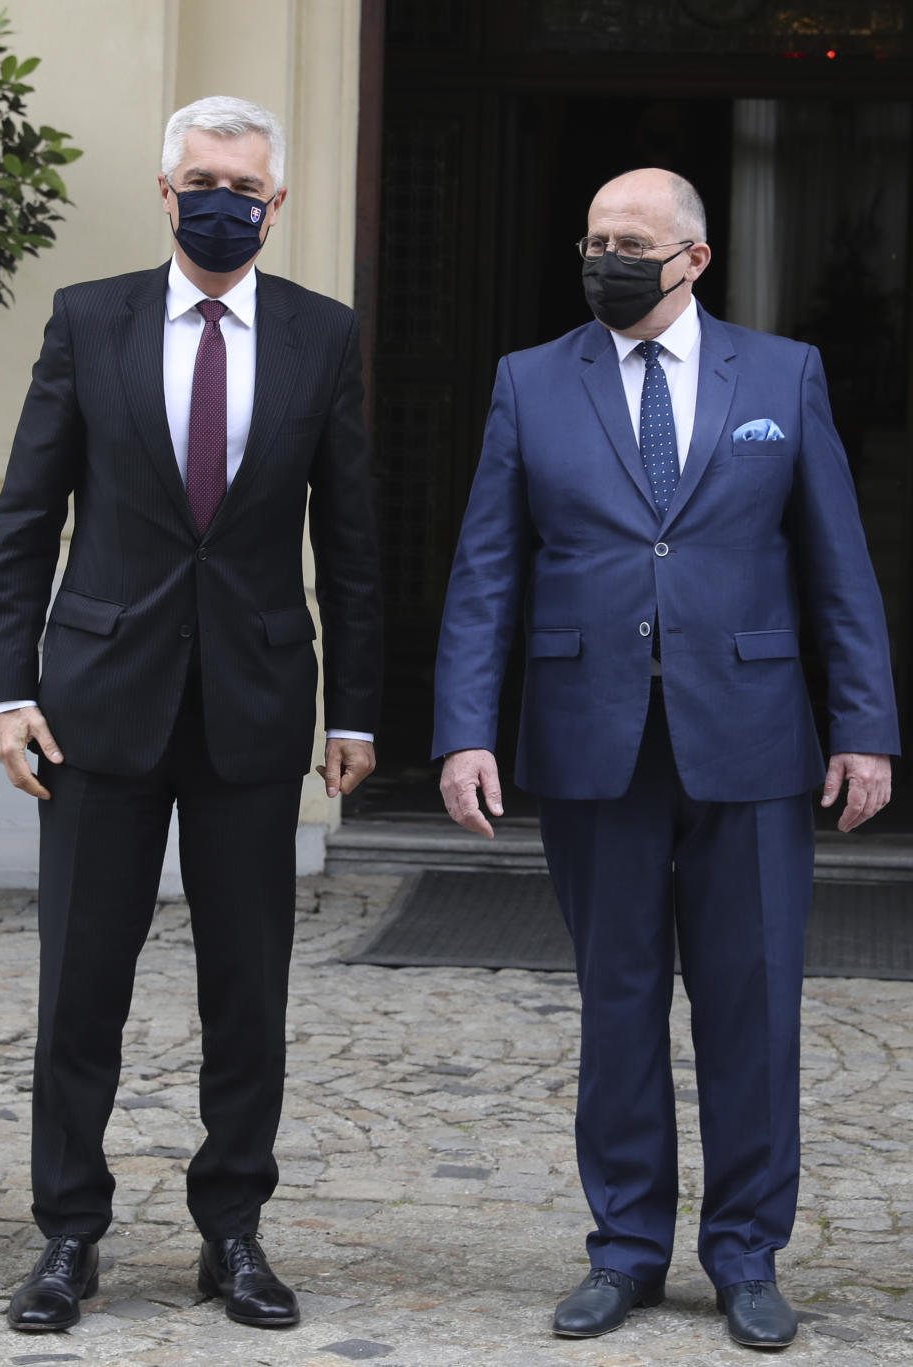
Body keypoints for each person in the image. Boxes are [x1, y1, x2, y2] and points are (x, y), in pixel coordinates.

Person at [433, 168, 898, 1351]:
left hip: (748, 738)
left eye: (629, 241)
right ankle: (626, 1249)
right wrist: (465, 729)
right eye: (592, 239)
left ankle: (747, 1252)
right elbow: (489, 568)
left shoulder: (781, 374)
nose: (605, 259)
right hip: (593, 739)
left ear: (694, 256)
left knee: (753, 1008)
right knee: (619, 1005)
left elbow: (837, 564)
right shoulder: (532, 380)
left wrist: (865, 728)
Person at [0, 95, 382, 1334]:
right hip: (97, 705)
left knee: (247, 987)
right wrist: (9, 689)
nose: (225, 201)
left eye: (247, 186)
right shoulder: (87, 318)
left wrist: (356, 708)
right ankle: (66, 1234)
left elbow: (353, 539)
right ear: (168, 193)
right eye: (204, 179)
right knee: (78, 986)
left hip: (255, 710)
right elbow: (27, 514)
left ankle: (233, 1230)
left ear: (276, 203)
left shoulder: (323, 336)